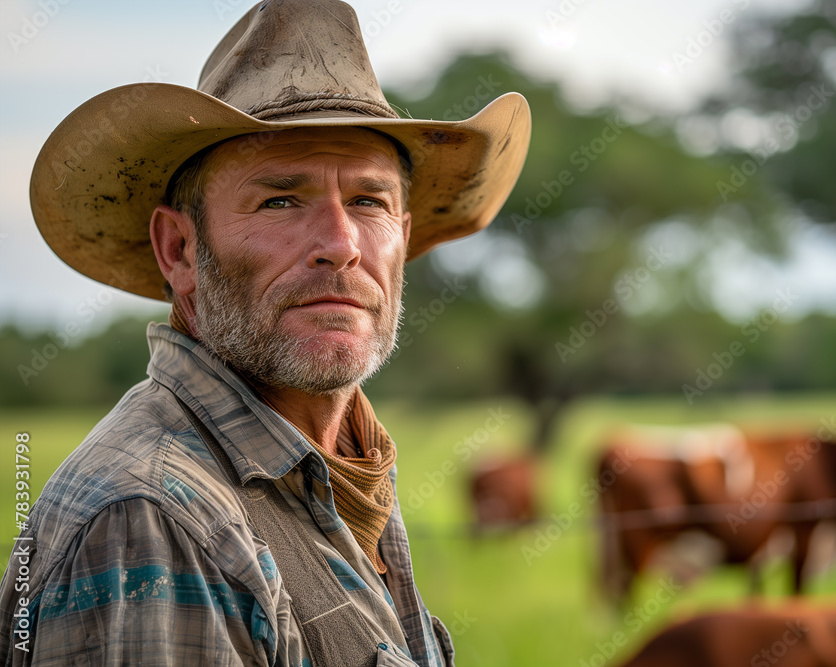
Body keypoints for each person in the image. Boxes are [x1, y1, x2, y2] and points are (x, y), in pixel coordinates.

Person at [0, 1, 530, 664]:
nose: (341, 244)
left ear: (405, 239)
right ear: (180, 250)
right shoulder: (153, 520)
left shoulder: (339, 472)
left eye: (369, 200)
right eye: (280, 198)